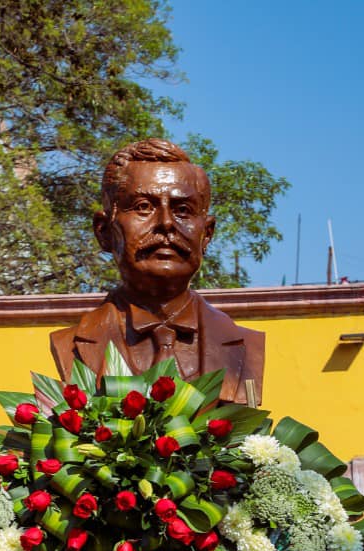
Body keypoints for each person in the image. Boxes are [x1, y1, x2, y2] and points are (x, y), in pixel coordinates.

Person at [51, 138, 264, 404]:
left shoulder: (244, 346)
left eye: (183, 210)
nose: (166, 223)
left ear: (206, 234)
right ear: (104, 231)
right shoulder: (72, 344)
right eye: (143, 207)